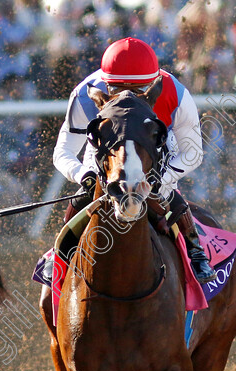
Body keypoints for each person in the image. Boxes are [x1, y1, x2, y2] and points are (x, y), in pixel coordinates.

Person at [53, 37, 215, 283]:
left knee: (165, 193)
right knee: (84, 195)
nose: (128, 97)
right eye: (118, 91)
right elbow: (63, 152)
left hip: (154, 149)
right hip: (106, 152)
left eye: (139, 92)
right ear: (105, 86)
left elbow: (193, 152)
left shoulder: (176, 93)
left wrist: (164, 179)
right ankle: (59, 259)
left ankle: (196, 252)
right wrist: (82, 176)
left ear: (154, 84)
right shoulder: (85, 96)